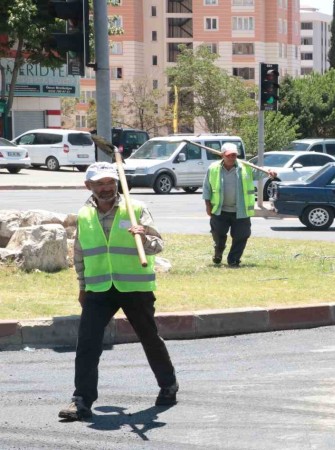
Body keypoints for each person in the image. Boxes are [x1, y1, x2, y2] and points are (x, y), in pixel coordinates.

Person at [59, 162, 178, 422]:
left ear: (117, 184)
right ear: (88, 186)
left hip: (134, 287)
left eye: (110, 183)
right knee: (88, 343)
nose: (106, 188)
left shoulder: (135, 209)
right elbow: (80, 253)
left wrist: (144, 237)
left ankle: (168, 385)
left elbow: (159, 246)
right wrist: (82, 285)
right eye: (100, 184)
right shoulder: (85, 215)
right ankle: (81, 400)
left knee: (149, 338)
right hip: (99, 289)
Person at [202, 143, 276, 267]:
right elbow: (206, 189)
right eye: (229, 155)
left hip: (240, 211)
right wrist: (208, 206)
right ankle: (218, 252)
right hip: (220, 210)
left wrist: (270, 172)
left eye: (234, 155)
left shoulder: (245, 167)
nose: (232, 157)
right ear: (223, 155)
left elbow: (261, 173)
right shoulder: (213, 168)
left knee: (241, 236)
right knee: (218, 235)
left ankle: (233, 259)